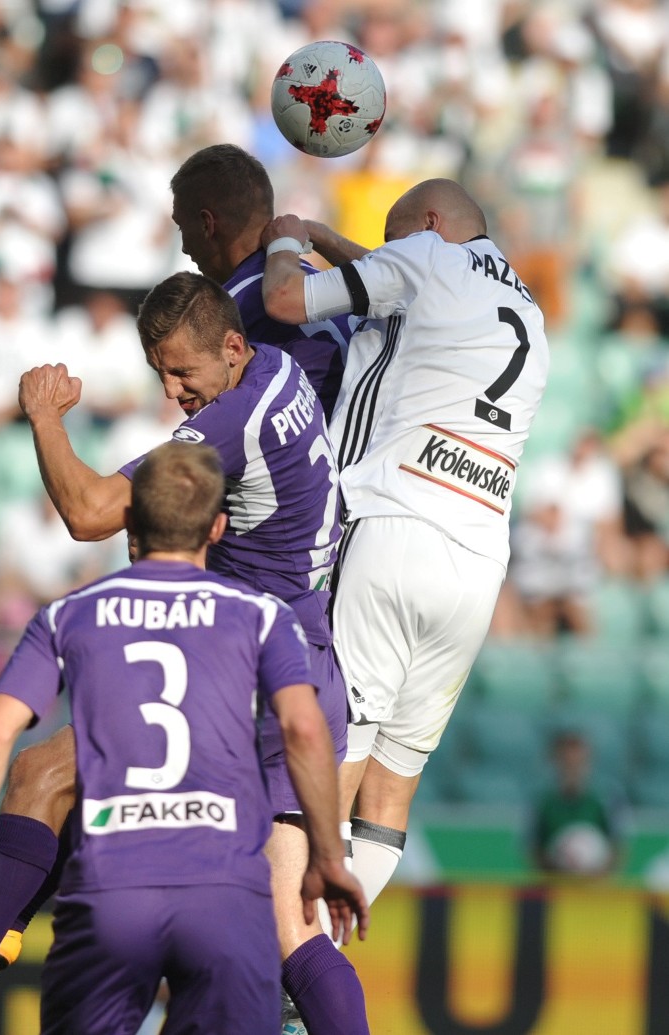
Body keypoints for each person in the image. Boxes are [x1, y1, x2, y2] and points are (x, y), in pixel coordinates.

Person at [0, 272, 369, 1035]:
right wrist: (294, 239)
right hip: (287, 660)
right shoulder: (277, 366)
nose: (175, 389)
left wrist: (45, 417)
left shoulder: (230, 422)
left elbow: (87, 513)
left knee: (48, 773)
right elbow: (270, 268)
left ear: (232, 347)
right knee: (275, 920)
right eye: (160, 373)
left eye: (184, 371)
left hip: (257, 674)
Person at [260, 177, 550, 945]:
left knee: (335, 762)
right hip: (479, 559)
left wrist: (290, 238)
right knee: (392, 791)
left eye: (397, 240)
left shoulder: (419, 258)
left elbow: (289, 300)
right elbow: (410, 282)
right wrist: (334, 237)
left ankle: (293, 961)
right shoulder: (529, 308)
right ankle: (317, 966)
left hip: (393, 521)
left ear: (426, 225)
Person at [169, 142, 356, 420]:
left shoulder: (221, 315)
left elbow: (217, 431)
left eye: (182, 227)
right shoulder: (329, 284)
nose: (184, 247)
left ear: (207, 224)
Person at [531, 727, 627, 877]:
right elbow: (533, 847)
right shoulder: (542, 800)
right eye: (566, 761)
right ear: (556, 762)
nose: (572, 767)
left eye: (578, 761)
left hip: (595, 890)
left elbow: (618, 845)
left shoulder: (607, 796)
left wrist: (597, 874)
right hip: (556, 886)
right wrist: (557, 869)